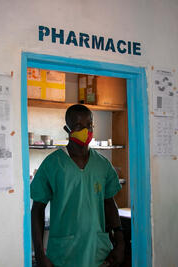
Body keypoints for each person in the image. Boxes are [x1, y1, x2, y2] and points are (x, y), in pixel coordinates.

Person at [31, 104, 125, 267]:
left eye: (89, 125)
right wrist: (40, 253)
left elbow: (109, 203)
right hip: (64, 255)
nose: (86, 131)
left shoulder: (102, 165)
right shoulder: (53, 164)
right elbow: (37, 209)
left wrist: (120, 240)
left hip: (97, 252)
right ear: (67, 129)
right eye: (78, 126)